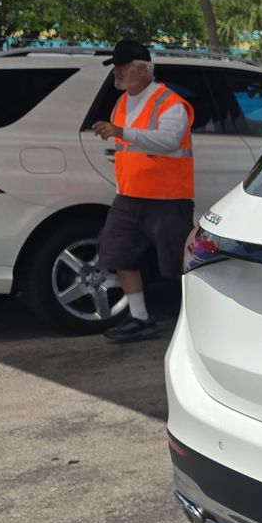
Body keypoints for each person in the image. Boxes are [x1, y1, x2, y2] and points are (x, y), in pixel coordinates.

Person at [89, 39, 195, 343]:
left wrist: (122, 133)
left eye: (121, 68)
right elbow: (131, 146)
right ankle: (140, 318)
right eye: (116, 68)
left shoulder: (169, 102)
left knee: (177, 264)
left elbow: (170, 140)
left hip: (168, 198)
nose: (116, 74)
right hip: (130, 196)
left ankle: (193, 322)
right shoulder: (122, 103)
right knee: (118, 253)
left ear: (142, 69)